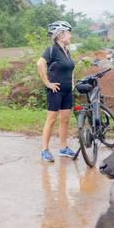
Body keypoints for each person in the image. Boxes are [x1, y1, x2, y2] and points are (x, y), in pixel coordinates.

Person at [36, 20, 76, 162]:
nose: (70, 36)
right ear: (60, 35)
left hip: (67, 92)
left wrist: (71, 83)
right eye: (68, 33)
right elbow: (40, 64)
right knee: (52, 120)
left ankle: (63, 148)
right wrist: (47, 83)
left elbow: (70, 68)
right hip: (55, 91)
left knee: (65, 120)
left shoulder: (67, 51)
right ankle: (44, 150)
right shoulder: (51, 50)